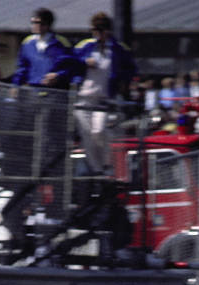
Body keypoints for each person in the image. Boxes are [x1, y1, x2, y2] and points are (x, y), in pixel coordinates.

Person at [72, 11, 137, 174]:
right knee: (87, 136)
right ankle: (97, 169)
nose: (97, 33)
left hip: (104, 98)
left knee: (99, 131)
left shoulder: (118, 49)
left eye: (100, 29)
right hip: (83, 98)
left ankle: (106, 164)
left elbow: (132, 69)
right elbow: (69, 63)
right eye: (94, 30)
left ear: (108, 30)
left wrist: (123, 82)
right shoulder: (84, 46)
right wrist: (84, 62)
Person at [11, 8, 79, 90]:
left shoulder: (61, 43)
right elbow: (22, 67)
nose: (35, 25)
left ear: (48, 24)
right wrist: (16, 85)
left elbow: (73, 66)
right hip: (33, 89)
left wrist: (59, 75)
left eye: (39, 23)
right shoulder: (27, 43)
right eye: (32, 22)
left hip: (55, 90)